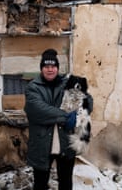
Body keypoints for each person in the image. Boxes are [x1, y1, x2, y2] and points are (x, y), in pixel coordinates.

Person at [24, 48, 93, 190]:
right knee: (40, 184)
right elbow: (37, 110)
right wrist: (67, 116)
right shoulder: (33, 87)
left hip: (65, 142)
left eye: (53, 66)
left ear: (57, 68)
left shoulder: (68, 83)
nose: (50, 69)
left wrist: (79, 115)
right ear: (41, 68)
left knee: (66, 183)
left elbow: (88, 100)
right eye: (46, 66)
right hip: (42, 144)